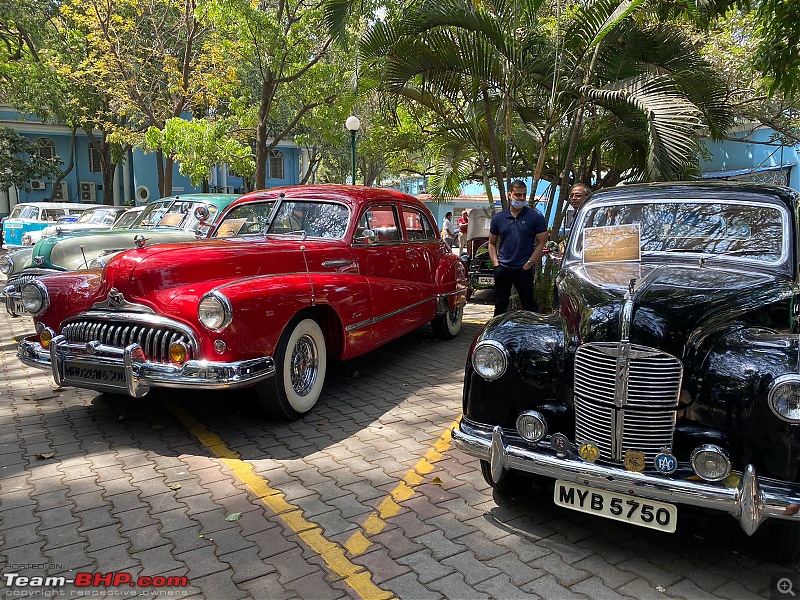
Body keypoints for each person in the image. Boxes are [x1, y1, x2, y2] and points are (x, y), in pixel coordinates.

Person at [489, 180, 549, 316]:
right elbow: (491, 243)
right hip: (503, 268)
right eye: (518, 195)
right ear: (510, 195)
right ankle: (498, 335)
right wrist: (496, 264)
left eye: (524, 195)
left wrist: (529, 264)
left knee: (529, 307)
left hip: (523, 269)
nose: (522, 198)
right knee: (500, 307)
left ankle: (530, 335)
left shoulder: (535, 217)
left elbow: (542, 242)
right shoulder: (499, 218)